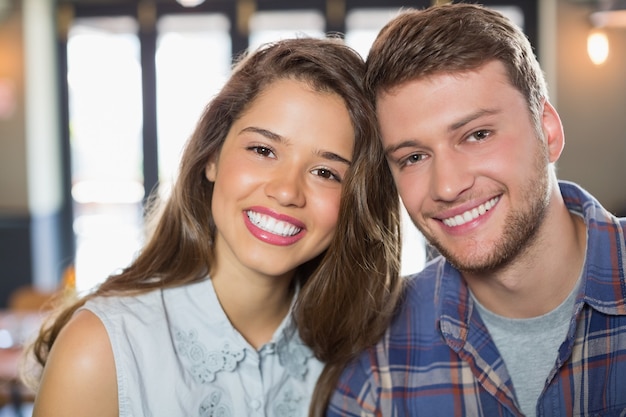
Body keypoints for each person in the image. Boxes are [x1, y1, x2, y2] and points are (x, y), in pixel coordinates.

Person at [23, 37, 402, 417]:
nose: (287, 191)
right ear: (211, 158)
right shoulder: (100, 349)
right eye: (263, 150)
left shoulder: (364, 346)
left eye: (326, 172)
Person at [328, 3, 626, 416]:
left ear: (549, 131)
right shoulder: (377, 357)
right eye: (413, 157)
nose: (447, 187)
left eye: (477, 135)